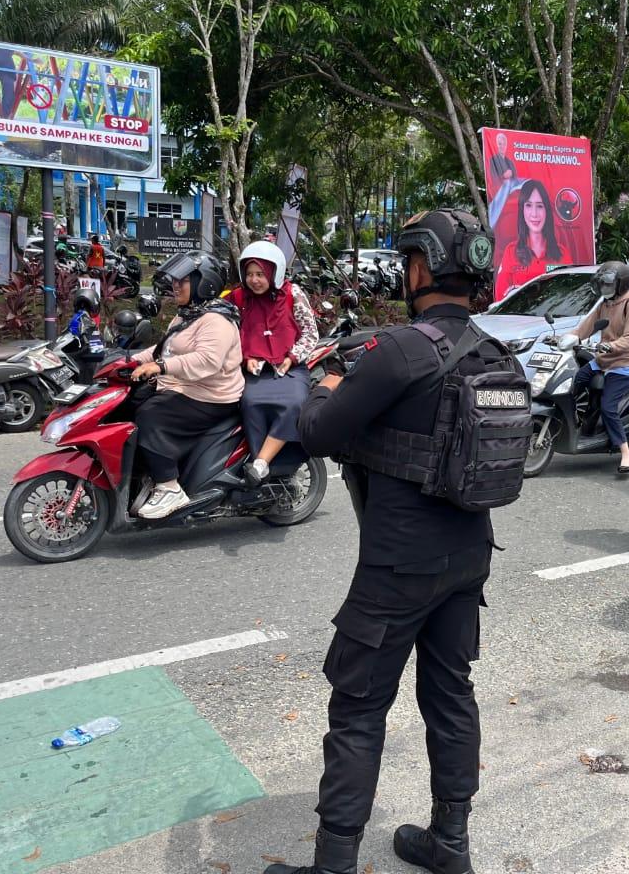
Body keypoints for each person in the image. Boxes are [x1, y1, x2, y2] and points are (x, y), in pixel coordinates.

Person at [268, 209, 511, 874]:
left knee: (358, 708)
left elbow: (316, 433)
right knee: (451, 695)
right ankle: (451, 845)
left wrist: (327, 380)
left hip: (397, 565)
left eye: (408, 262)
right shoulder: (496, 352)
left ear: (423, 267)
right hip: (468, 556)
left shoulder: (397, 350)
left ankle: (335, 864)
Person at [130, 252, 243, 519]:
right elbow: (164, 349)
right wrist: (128, 360)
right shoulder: (187, 316)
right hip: (183, 388)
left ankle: (169, 487)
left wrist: (160, 367)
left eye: (183, 281)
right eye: (175, 281)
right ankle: (148, 473)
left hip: (212, 396)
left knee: (151, 415)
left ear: (205, 283)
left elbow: (207, 361)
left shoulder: (216, 320)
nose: (175, 286)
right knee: (129, 403)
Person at [228, 240, 319, 482]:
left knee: (295, 403)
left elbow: (310, 333)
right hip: (255, 370)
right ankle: (258, 463)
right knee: (249, 403)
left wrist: (292, 357)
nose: (254, 280)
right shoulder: (237, 298)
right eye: (249, 274)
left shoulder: (293, 294)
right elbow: (225, 332)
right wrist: (244, 357)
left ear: (274, 272)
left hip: (290, 368)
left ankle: (261, 463)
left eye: (260, 274)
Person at [557, 261, 629, 474]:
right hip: (602, 361)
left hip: (623, 364)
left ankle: (625, 452)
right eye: (602, 283)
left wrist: (610, 345)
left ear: (620, 284)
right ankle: (582, 422)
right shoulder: (605, 303)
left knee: (608, 408)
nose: (604, 287)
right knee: (574, 381)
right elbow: (587, 325)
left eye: (608, 284)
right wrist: (571, 337)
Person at [494, 179, 565, 299]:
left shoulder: (562, 253)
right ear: (522, 210)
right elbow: (501, 298)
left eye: (539, 206)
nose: (534, 213)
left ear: (546, 210)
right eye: (528, 205)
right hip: (519, 317)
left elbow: (568, 295)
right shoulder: (511, 252)